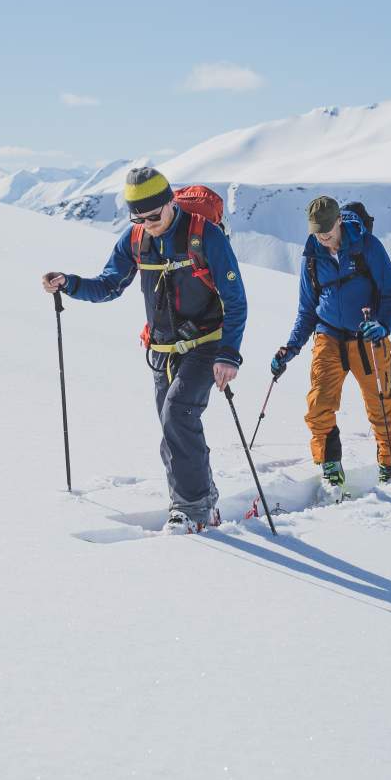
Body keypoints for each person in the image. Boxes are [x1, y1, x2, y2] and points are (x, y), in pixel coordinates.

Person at [41, 167, 246, 532]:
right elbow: (109, 284)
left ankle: (193, 508)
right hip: (161, 349)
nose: (148, 224)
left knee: (178, 414)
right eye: (139, 218)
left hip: (206, 345)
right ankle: (198, 499)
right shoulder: (136, 238)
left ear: (170, 203)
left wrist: (229, 354)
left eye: (154, 215)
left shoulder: (205, 235)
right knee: (172, 426)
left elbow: (235, 299)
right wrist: (69, 283)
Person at [271, 196, 391, 489]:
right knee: (319, 402)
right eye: (317, 232)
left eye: (327, 231)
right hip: (328, 334)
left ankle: (390, 461)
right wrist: (290, 348)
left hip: (367, 337)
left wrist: (383, 325)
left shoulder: (368, 247)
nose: (323, 237)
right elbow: (307, 310)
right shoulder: (311, 256)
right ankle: (330, 464)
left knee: (380, 403)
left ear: (339, 222)